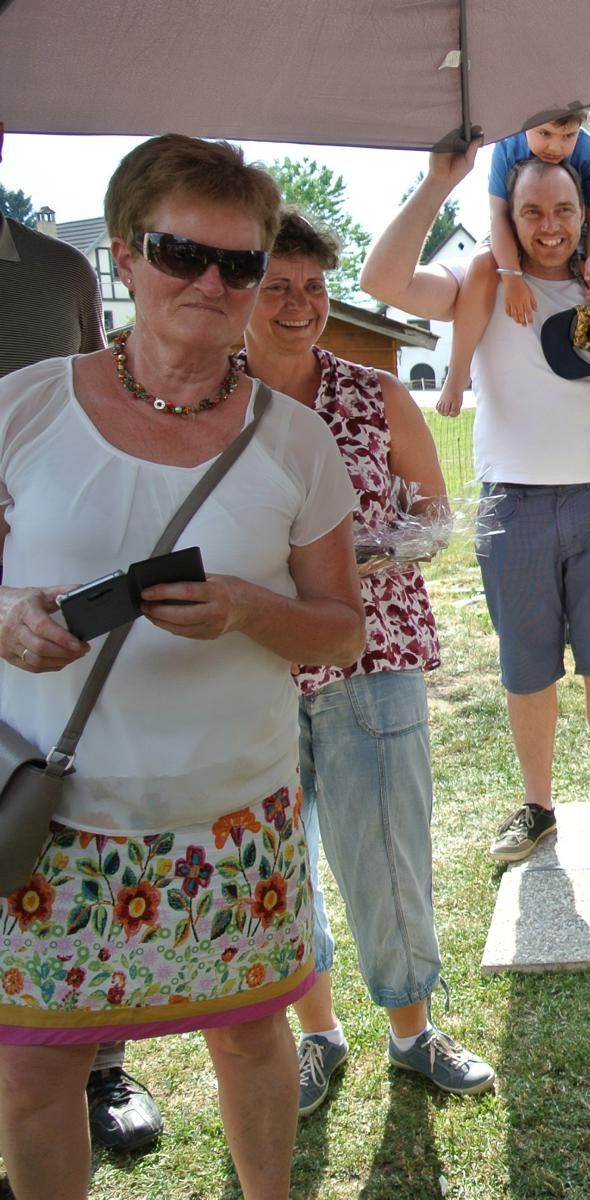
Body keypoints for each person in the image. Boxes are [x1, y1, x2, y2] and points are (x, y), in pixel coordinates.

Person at [0, 134, 363, 1199]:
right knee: (34, 1070)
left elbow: (341, 632)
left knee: (250, 1042)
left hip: (234, 818)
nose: (210, 283)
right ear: (123, 255)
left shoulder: (296, 441)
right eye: (179, 254)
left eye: (238, 264)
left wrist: (251, 608)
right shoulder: (24, 406)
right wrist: (7, 620)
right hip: (54, 820)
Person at [240, 209, 495, 1116]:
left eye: (312, 286)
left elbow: (435, 517)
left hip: (371, 651)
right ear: (241, 290)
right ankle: (318, 1035)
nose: (298, 304)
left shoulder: (374, 393)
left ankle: (411, 1031)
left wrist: (355, 555)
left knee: (387, 849)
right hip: (249, 668)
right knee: (276, 861)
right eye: (276, 286)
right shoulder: (213, 401)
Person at [361, 146, 590, 870]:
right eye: (532, 211)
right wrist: (437, 183)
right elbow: (381, 280)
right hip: (514, 503)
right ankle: (538, 806)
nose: (549, 226)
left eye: (564, 209)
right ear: (508, 216)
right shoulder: (482, 281)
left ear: (585, 215)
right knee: (526, 667)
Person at [0, 138, 167, 1157]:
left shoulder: (58, 269)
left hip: (61, 601)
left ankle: (101, 1066)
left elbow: (115, 401)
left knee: (71, 824)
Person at [437, 109, 590, 436]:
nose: (556, 147)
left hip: (578, 231)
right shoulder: (507, 146)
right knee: (481, 266)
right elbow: (499, 217)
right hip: (516, 226)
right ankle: (457, 374)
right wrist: (511, 275)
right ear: (526, 124)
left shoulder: (589, 151)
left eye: (568, 136)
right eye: (545, 134)